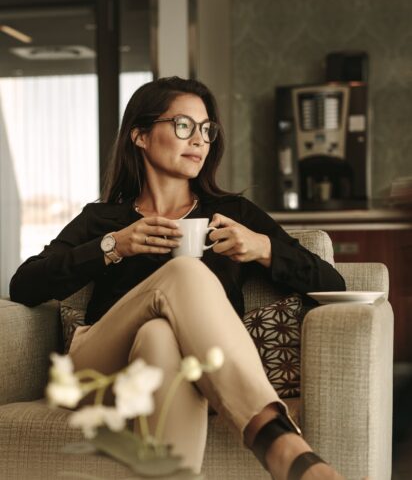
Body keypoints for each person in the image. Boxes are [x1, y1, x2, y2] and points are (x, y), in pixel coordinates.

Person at [10, 76, 346, 480]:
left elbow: (332, 284)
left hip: (181, 367)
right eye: (184, 126)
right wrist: (114, 245)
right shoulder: (104, 220)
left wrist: (262, 248)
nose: (200, 140)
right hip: (99, 366)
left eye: (206, 130)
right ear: (140, 135)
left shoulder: (233, 212)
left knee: (161, 337)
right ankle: (278, 442)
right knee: (186, 270)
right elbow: (25, 285)